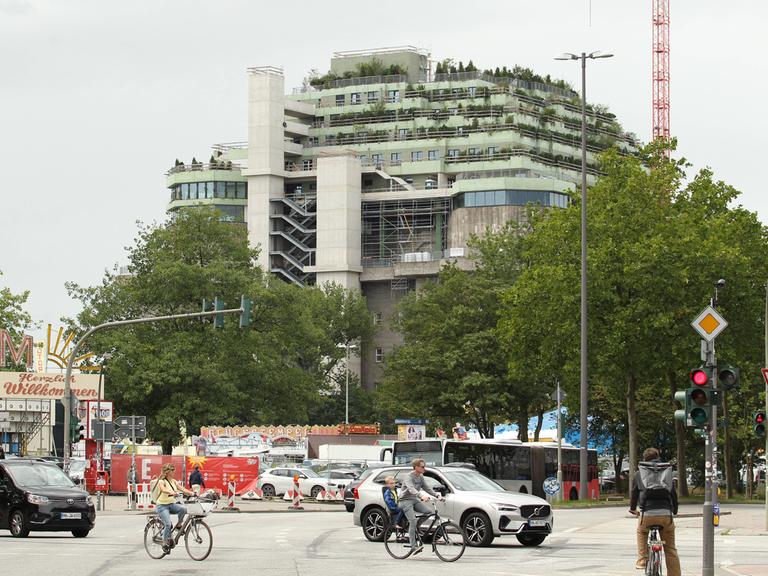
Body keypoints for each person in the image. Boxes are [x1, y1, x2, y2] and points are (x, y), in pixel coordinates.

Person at [629, 447, 681, 576]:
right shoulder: (667, 471)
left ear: (644, 458)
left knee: (641, 531)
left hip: (647, 514)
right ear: (658, 456)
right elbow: (673, 494)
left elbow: (634, 493)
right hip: (665, 515)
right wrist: (674, 510)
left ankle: (642, 559)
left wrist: (632, 508)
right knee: (670, 549)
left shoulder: (639, 473)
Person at [399, 458, 444, 555]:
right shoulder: (409, 477)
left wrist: (437, 495)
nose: (424, 468)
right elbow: (411, 489)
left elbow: (427, 487)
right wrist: (421, 496)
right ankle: (413, 546)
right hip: (405, 501)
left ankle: (416, 528)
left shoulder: (421, 476)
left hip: (414, 500)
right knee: (413, 520)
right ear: (416, 467)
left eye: (424, 466)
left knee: (428, 512)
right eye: (422, 467)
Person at [156, 463, 195, 552]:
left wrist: (192, 493)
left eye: (174, 470)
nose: (174, 471)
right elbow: (163, 489)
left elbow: (182, 489)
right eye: (172, 470)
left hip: (171, 504)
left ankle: (178, 526)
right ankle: (165, 542)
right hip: (162, 506)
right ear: (168, 471)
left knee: (184, 509)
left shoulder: (173, 481)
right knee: (168, 524)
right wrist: (171, 492)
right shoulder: (162, 481)